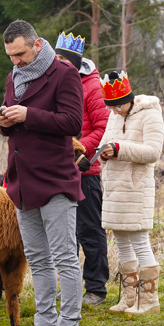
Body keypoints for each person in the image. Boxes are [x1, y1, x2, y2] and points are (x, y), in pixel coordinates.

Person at [0, 20, 85, 326]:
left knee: (64, 257)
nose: (15, 61)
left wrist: (27, 115)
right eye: (9, 56)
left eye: (19, 53)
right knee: (37, 258)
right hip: (22, 181)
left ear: (36, 45)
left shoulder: (64, 75)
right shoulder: (13, 77)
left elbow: (72, 123)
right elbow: (14, 123)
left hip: (55, 179)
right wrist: (4, 121)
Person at [98, 71, 164, 316]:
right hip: (115, 188)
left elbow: (153, 152)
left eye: (118, 106)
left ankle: (149, 300)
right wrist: (101, 152)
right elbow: (106, 141)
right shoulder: (114, 116)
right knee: (122, 242)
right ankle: (129, 297)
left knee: (139, 241)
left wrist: (118, 149)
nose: (114, 111)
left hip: (136, 188)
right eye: (110, 107)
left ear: (129, 98)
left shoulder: (151, 115)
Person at [53, 31, 110, 307]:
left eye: (63, 58)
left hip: (85, 170)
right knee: (65, 234)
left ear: (74, 61)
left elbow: (103, 127)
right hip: (59, 170)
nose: (58, 62)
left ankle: (96, 287)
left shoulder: (92, 86)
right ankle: (72, 286)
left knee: (89, 231)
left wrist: (81, 148)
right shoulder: (56, 82)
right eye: (56, 57)